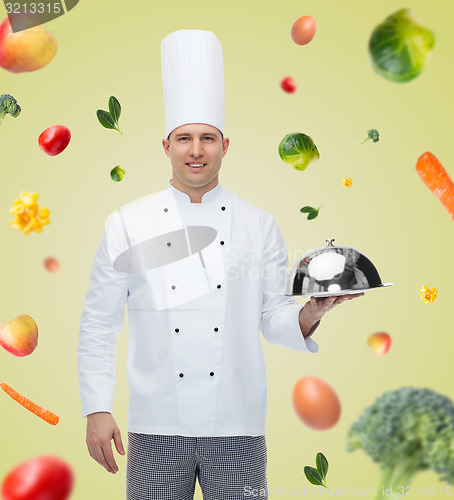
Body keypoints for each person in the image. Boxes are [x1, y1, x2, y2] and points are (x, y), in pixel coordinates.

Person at [78, 30, 362, 500]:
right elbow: (99, 323)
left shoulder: (259, 224)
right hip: (154, 426)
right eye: (184, 138)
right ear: (165, 145)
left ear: (225, 145)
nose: (196, 150)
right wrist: (96, 409)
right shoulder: (127, 223)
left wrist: (315, 310)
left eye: (207, 138)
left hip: (239, 425)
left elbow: (271, 317)